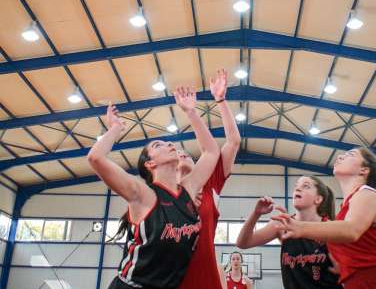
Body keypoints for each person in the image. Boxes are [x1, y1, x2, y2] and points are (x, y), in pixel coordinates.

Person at [88, 87, 220, 289]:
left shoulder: (187, 190)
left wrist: (191, 112)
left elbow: (211, 152)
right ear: (150, 163)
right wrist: (115, 128)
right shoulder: (143, 194)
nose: (169, 144)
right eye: (158, 145)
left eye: (168, 143)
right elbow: (95, 158)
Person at [273, 147, 376, 289]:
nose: (340, 156)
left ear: (364, 170)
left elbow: (351, 230)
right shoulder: (345, 211)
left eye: (350, 154)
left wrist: (299, 227)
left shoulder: (367, 194)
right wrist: (343, 267)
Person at [178, 69, 241, 289]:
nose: (182, 154)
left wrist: (220, 100)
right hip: (171, 274)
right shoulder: (165, 193)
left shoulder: (210, 183)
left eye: (187, 154)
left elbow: (233, 141)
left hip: (205, 274)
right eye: (178, 153)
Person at [237, 176, 341, 289]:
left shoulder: (330, 228)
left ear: (318, 199)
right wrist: (256, 214)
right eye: (296, 186)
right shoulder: (282, 224)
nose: (298, 189)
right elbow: (243, 243)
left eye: (306, 186)